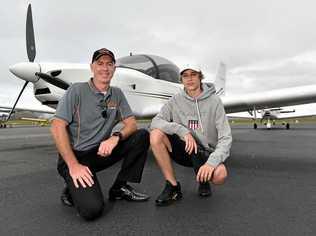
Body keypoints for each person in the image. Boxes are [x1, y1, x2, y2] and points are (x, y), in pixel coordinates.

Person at [51, 48, 150, 220]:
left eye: (109, 64)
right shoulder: (76, 90)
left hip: (99, 152)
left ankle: (120, 187)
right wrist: (74, 166)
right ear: (92, 67)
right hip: (75, 157)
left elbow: (132, 124)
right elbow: (57, 127)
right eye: (100, 63)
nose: (105, 68)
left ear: (114, 69)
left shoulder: (117, 94)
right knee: (92, 210)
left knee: (142, 136)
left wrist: (115, 137)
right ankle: (71, 188)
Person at [150, 64, 232, 206]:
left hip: (204, 152)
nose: (189, 79)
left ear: (200, 77)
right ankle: (173, 186)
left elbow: (226, 138)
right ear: (181, 79)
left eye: (193, 74)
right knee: (155, 134)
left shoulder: (215, 101)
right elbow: (155, 121)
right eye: (185, 75)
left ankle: (203, 180)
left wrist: (211, 164)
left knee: (220, 175)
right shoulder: (175, 100)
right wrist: (182, 131)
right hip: (184, 149)